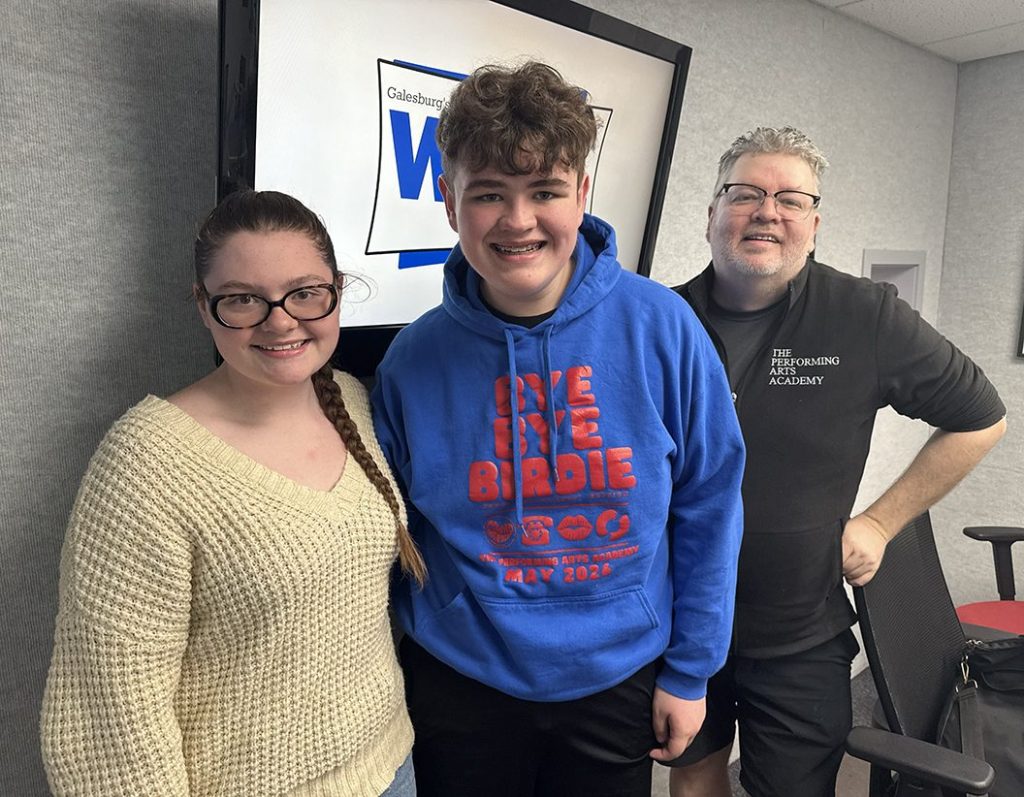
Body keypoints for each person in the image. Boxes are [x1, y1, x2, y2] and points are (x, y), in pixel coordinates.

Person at [370, 61, 745, 797]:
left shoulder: (663, 328)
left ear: (581, 193)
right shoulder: (411, 361)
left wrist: (691, 669)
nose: (517, 220)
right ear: (449, 203)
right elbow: (387, 534)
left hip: (618, 674)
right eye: (488, 194)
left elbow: (711, 504)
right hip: (461, 679)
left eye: (543, 191)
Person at [40, 190, 425, 797]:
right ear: (203, 305)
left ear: (336, 292)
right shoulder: (148, 463)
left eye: (305, 292)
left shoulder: (350, 397)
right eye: (243, 299)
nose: (280, 320)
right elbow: (110, 709)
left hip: (389, 765)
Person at [665, 126, 1007, 797]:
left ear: (812, 225)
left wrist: (881, 522)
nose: (768, 211)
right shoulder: (659, 319)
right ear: (711, 214)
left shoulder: (864, 315)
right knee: (693, 773)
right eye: (746, 194)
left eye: (791, 199)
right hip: (679, 622)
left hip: (800, 633)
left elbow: (982, 418)